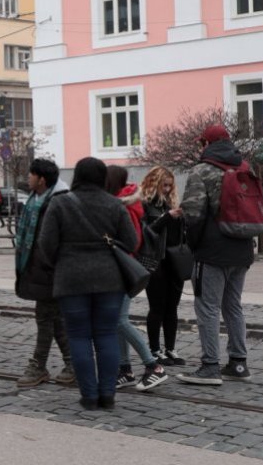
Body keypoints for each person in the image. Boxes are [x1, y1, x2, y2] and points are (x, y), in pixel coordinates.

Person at [39, 157, 138, 410]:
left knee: (78, 336)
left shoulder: (60, 203)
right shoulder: (114, 205)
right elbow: (131, 240)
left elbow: (46, 245)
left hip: (71, 279)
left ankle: (89, 397)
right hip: (109, 279)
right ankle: (108, 395)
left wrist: (60, 263)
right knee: (106, 335)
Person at [177, 124, 255, 385]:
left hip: (212, 250)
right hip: (243, 247)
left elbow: (193, 213)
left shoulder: (202, 170)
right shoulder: (245, 167)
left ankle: (210, 366)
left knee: (208, 307)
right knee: (233, 305)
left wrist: (194, 245)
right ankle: (239, 364)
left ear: (206, 144)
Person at [105, 165, 169, 392]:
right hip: (122, 269)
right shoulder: (126, 202)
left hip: (122, 270)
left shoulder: (122, 206)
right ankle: (125, 370)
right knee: (116, 321)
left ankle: (154, 367)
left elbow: (130, 241)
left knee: (120, 320)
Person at [14, 158, 75, 388]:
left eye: (31, 174)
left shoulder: (58, 201)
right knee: (55, 319)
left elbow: (56, 241)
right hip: (39, 270)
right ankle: (73, 364)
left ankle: (38, 366)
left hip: (51, 271)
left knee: (45, 319)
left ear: (42, 179)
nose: (28, 178)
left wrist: (49, 266)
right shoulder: (36, 199)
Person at [140, 166, 186, 366]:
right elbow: (147, 233)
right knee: (157, 307)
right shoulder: (145, 204)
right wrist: (167, 217)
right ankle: (155, 350)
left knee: (172, 307)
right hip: (154, 261)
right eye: (164, 185)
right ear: (154, 183)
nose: (167, 189)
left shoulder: (171, 203)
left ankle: (170, 349)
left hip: (174, 261)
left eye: (170, 185)